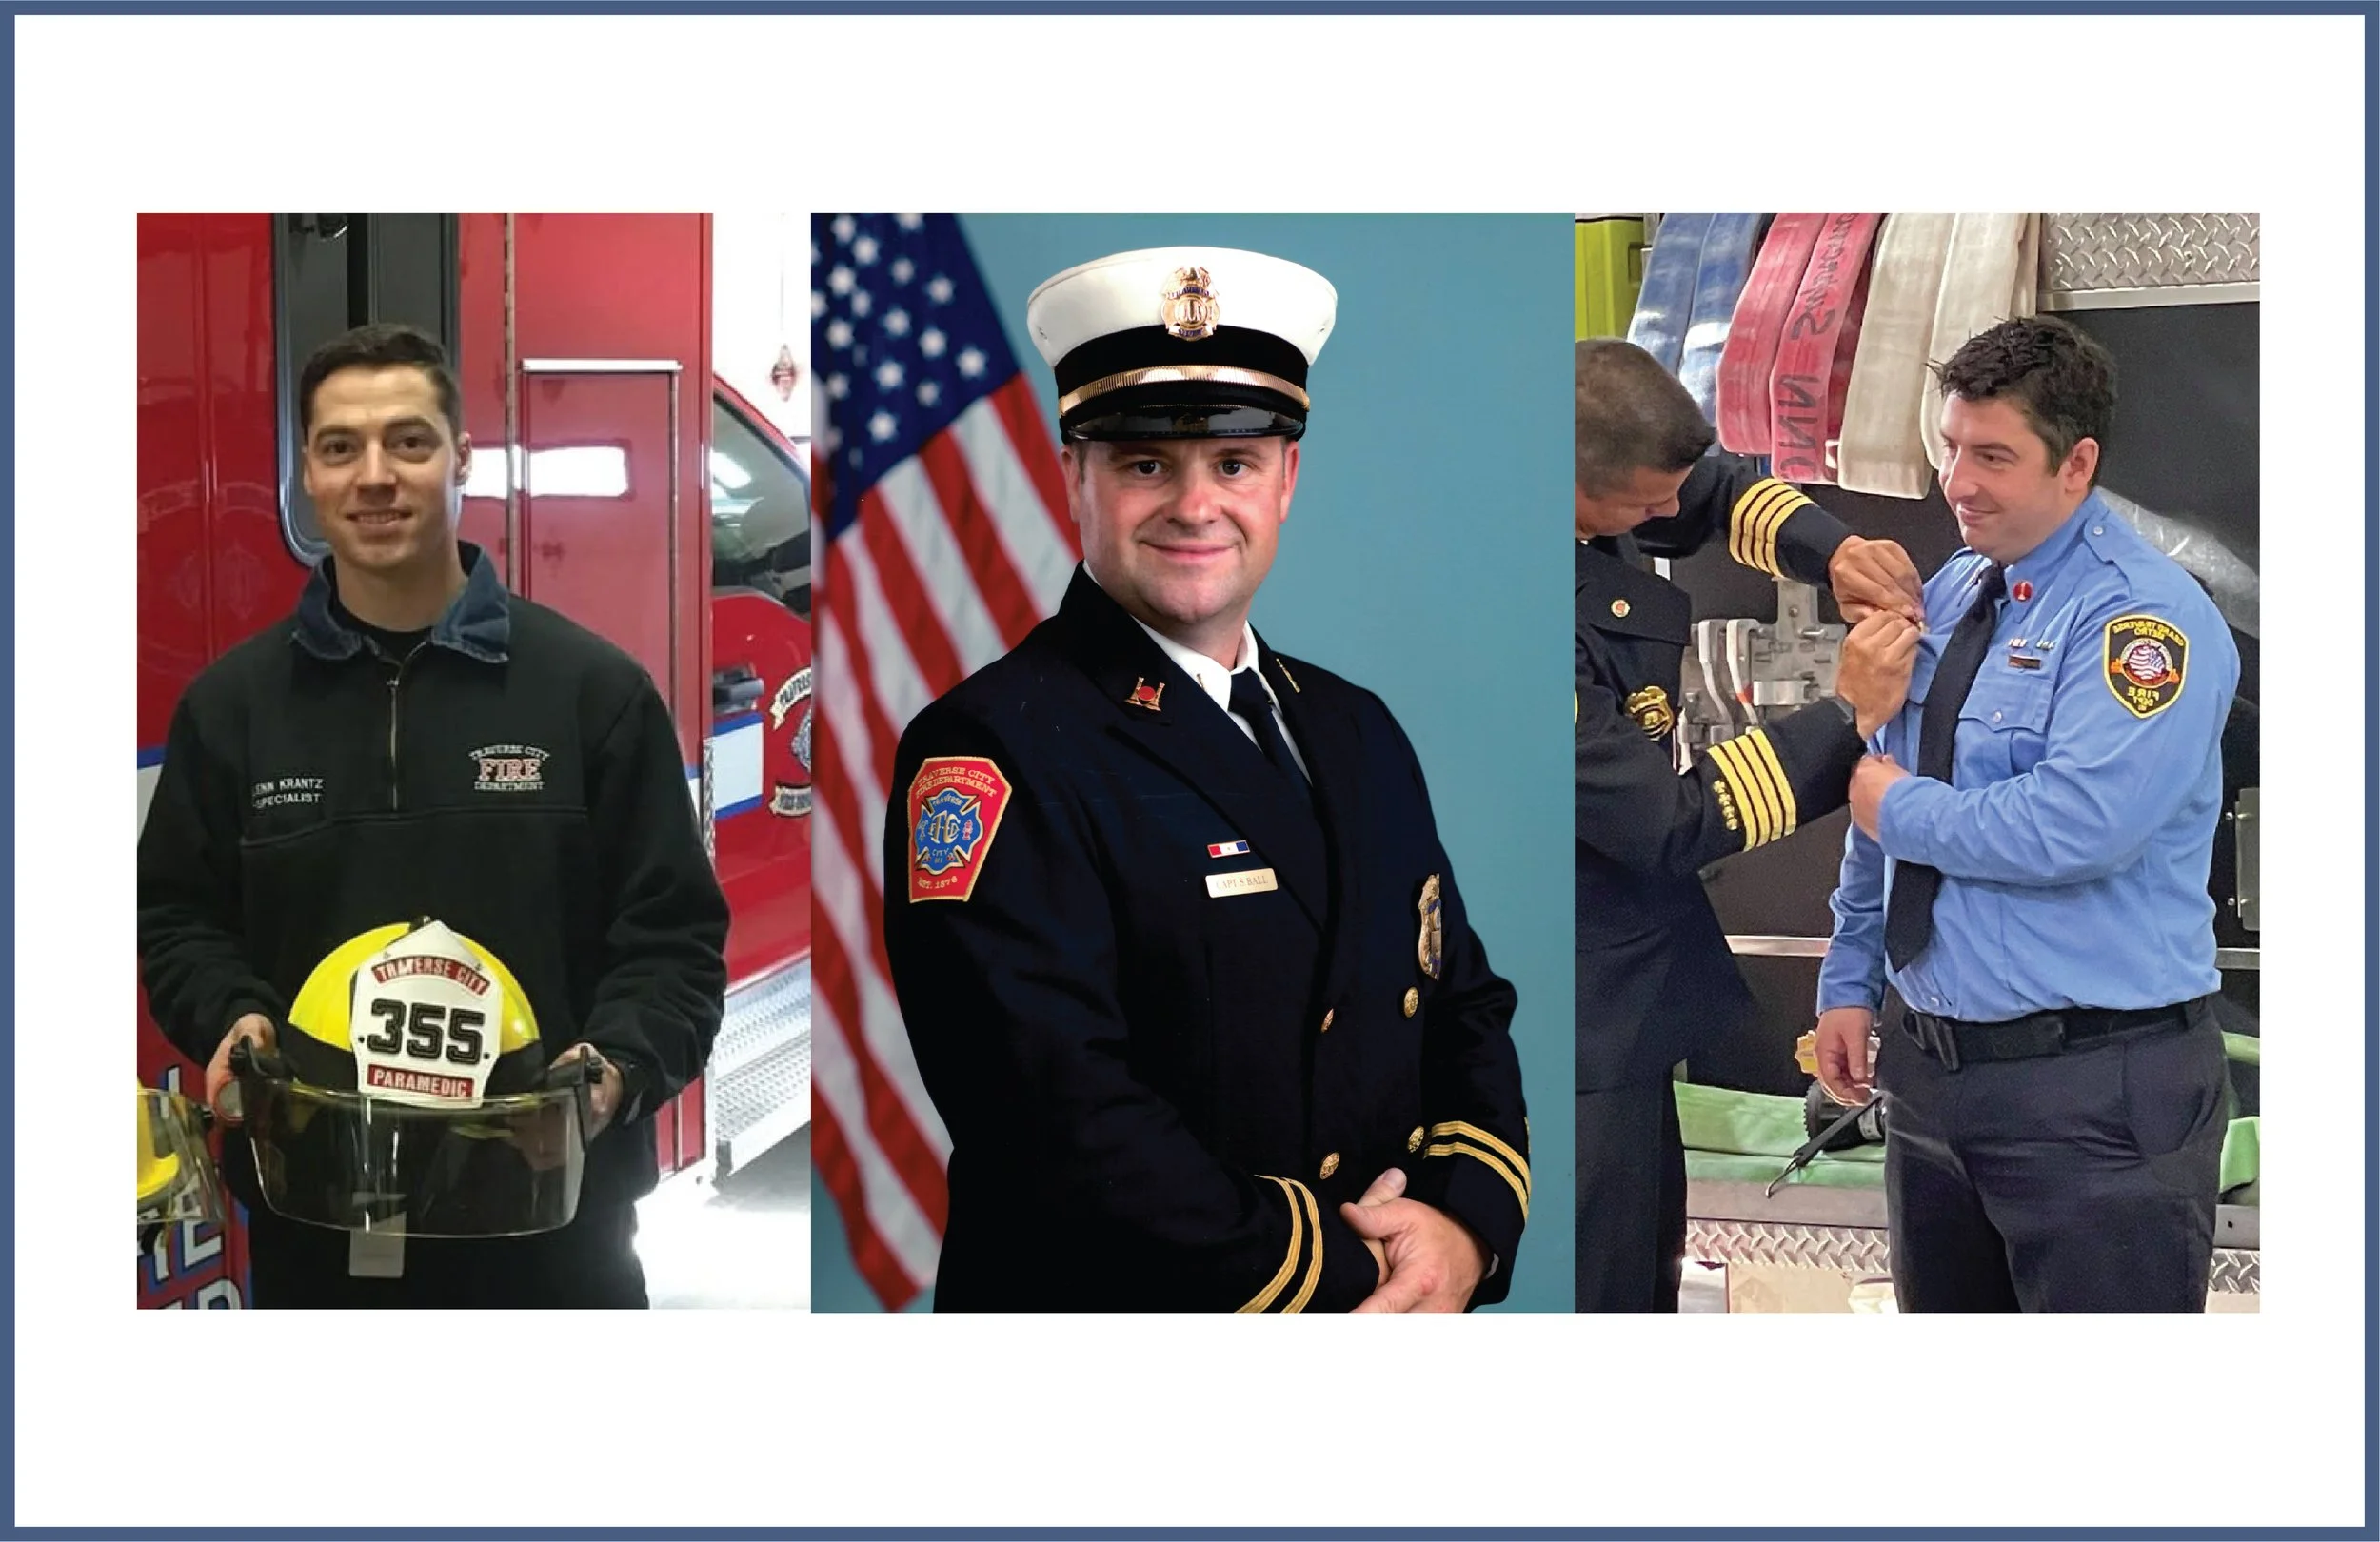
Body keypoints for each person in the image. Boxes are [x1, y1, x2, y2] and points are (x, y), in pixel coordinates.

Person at [882, 247, 1530, 1313]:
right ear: (1072, 479)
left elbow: (1462, 1004)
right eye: (1144, 465)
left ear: (1286, 480)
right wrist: (1351, 1268)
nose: (1194, 505)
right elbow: (1054, 1114)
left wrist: (1462, 1226)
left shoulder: (1355, 728)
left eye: (1232, 462)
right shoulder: (992, 748)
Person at [136, 323, 728, 1307]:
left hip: (552, 1231)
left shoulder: (593, 695)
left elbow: (674, 943)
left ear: (460, 461)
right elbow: (178, 920)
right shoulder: (229, 710)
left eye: (408, 442)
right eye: (340, 448)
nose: (375, 476)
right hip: (315, 1224)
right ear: (307, 479)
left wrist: (613, 1069)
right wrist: (228, 1015)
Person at [1812, 315, 2238, 1312]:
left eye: (1992, 455)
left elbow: (2074, 826)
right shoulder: (1956, 590)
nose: (1958, 482)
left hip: (2093, 1093)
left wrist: (1894, 805)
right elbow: (1884, 778)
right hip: (1928, 1077)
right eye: (1951, 445)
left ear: (2075, 463)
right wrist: (1848, 976)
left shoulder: (2143, 621)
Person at [1573, 337, 1923, 1313]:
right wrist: (1839, 715)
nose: (1660, 519)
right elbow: (1668, 825)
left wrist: (1833, 548)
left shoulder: (1598, 466)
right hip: (1568, 1025)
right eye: (1639, 507)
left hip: (1624, 1017)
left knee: (1642, 1279)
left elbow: (1708, 486)